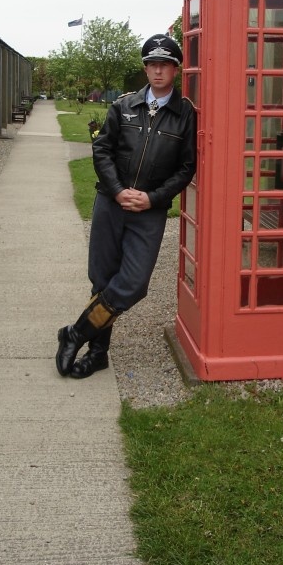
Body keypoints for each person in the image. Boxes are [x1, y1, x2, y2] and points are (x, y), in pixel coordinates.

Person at [56, 34, 196, 379]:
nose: (158, 70)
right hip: (110, 204)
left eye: (165, 64)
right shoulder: (123, 106)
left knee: (133, 284)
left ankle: (74, 334)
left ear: (175, 70)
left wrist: (153, 198)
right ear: (146, 68)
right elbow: (102, 149)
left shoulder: (185, 115)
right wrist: (118, 191)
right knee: (101, 280)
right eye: (152, 64)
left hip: (149, 211)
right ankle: (98, 353)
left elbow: (186, 167)